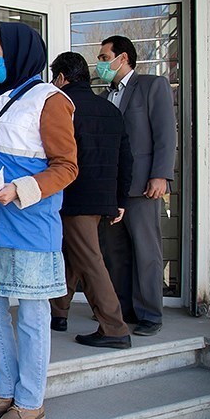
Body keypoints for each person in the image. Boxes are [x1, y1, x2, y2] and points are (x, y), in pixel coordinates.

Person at [0, 22, 78, 419]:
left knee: (31, 316)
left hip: (30, 225)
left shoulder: (50, 100)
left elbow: (66, 167)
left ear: (19, 54)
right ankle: (6, 391)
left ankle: (31, 401)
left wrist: (19, 189)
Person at [47, 52, 134, 349]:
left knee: (89, 260)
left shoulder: (63, 107)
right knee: (73, 254)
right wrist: (120, 199)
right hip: (102, 199)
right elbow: (126, 158)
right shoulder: (108, 109)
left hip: (75, 197)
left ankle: (114, 328)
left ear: (61, 78)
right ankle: (58, 312)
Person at [96, 35, 176, 337]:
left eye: (105, 57)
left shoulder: (151, 86)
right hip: (114, 189)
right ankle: (123, 311)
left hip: (144, 186)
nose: (101, 63)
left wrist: (161, 175)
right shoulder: (106, 96)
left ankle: (150, 314)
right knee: (115, 253)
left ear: (124, 57)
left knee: (147, 251)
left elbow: (166, 135)